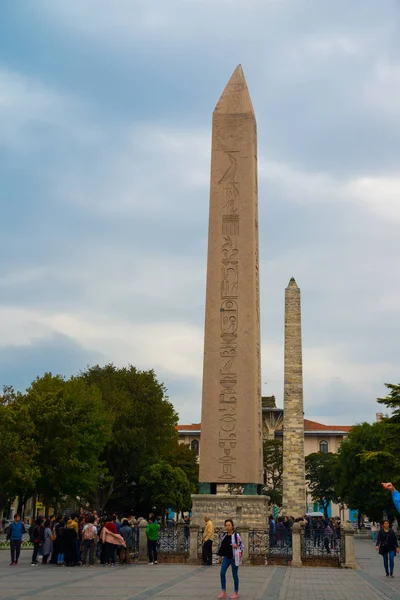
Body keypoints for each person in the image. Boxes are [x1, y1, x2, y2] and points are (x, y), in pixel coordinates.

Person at [216, 519, 243, 600]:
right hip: (226, 558)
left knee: (234, 575)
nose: (227, 527)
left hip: (234, 558)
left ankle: (236, 592)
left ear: (232, 526)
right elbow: (221, 546)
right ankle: (223, 591)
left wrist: (237, 546)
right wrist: (220, 557)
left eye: (229, 525)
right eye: (226, 525)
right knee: (222, 572)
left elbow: (241, 546)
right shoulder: (224, 535)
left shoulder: (236, 536)